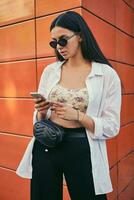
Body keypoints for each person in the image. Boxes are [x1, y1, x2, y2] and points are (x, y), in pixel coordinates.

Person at [16, 11, 122, 200]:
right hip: (46, 144)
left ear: (80, 36)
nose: (59, 47)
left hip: (82, 148)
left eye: (63, 40)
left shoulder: (106, 75)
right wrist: (41, 111)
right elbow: (39, 118)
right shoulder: (50, 71)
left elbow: (112, 126)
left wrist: (79, 116)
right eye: (54, 42)